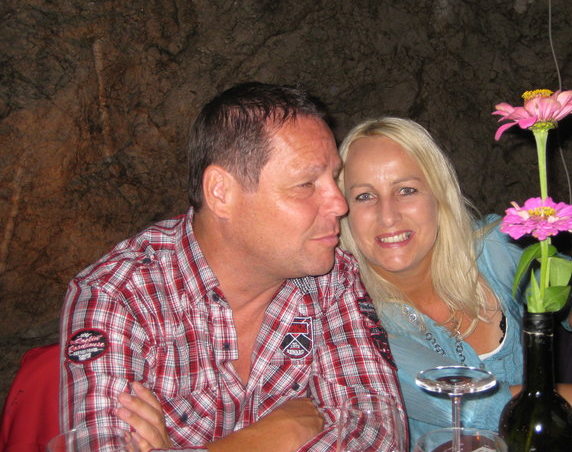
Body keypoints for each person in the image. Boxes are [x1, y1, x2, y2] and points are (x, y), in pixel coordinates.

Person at [60, 83, 406, 452]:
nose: (339, 204)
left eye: (333, 178)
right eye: (306, 184)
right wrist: (268, 439)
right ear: (221, 193)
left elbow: (379, 434)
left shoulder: (332, 277)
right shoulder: (119, 294)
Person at [336, 117, 572, 447]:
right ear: (342, 209)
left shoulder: (492, 247)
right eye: (364, 196)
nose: (388, 216)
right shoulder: (351, 318)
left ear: (439, 193)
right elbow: (479, 409)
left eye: (407, 190)